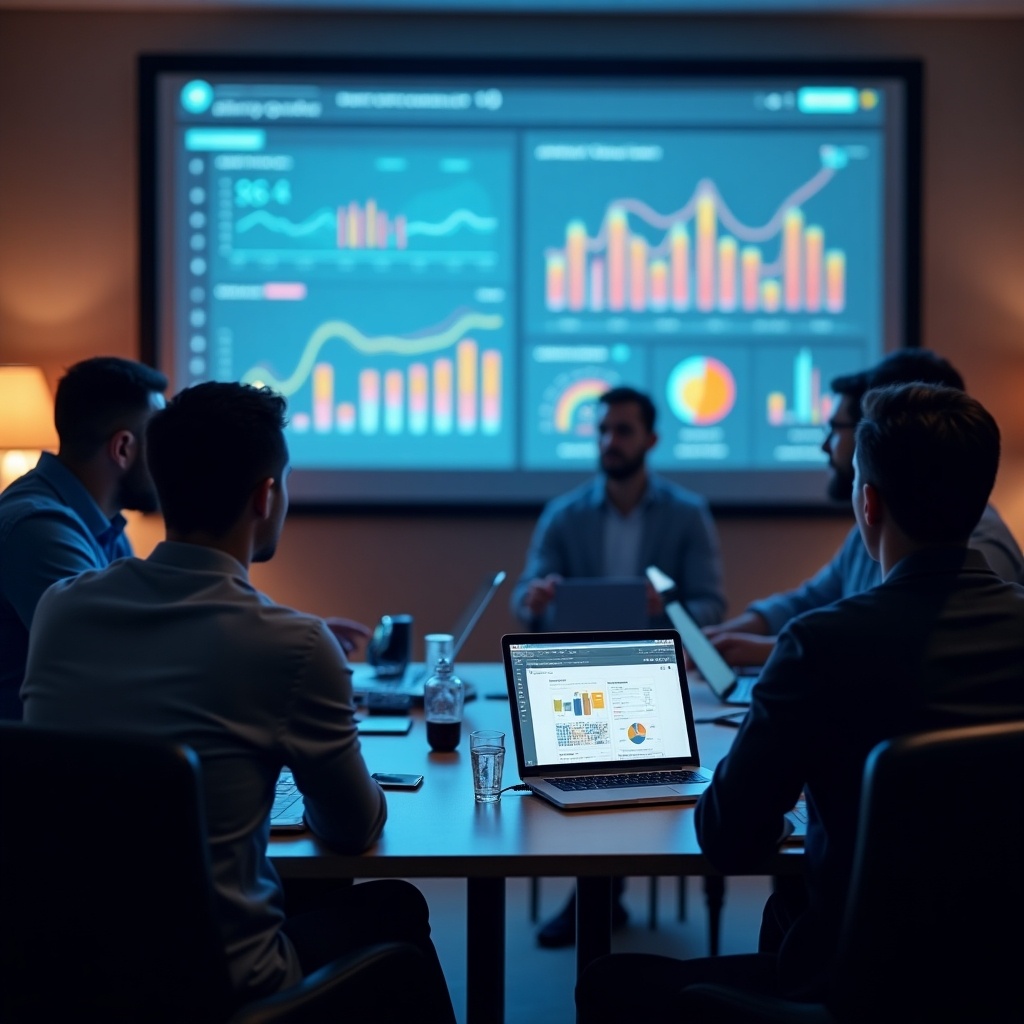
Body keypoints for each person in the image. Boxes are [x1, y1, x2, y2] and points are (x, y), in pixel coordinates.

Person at [575, 383, 1024, 1021]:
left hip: (856, 984)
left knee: (606, 981)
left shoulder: (820, 645)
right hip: (1002, 977)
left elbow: (725, 838)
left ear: (867, 502)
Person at [21, 382, 456, 1021]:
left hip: (65, 972)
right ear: (266, 495)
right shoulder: (296, 645)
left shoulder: (61, 608)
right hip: (221, 986)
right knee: (393, 906)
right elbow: (351, 829)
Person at [511, 385, 726, 947]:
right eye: (602, 429)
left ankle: (596, 895)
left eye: (623, 430)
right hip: (577, 672)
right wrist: (534, 598)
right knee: (584, 757)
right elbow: (524, 597)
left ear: (651, 439)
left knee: (625, 760)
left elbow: (711, 606)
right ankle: (599, 893)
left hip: (655, 682)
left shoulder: (686, 514)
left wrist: (668, 605)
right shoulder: (564, 514)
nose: (609, 441)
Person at [704, 350, 1024, 669]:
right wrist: (730, 636)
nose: (826, 445)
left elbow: (932, 639)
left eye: (843, 427)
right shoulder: (869, 537)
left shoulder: (980, 543)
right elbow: (811, 600)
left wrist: (796, 648)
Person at [0, 356, 167, 719]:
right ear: (122, 448)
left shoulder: (107, 527)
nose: (169, 461)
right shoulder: (37, 529)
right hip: (24, 765)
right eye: (161, 443)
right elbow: (113, 663)